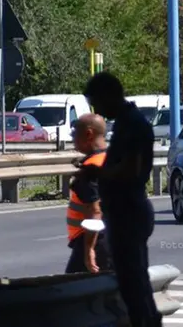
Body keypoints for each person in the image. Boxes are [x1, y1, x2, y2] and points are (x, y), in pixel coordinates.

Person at [82, 72, 161, 327]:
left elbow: (131, 169)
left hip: (128, 210)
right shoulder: (129, 122)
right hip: (126, 209)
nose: (98, 110)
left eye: (97, 103)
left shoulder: (132, 125)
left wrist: (97, 172)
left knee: (132, 281)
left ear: (109, 95)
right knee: (134, 279)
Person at [65, 114, 112, 274]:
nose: (73, 138)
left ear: (88, 134)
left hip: (97, 240)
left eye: (75, 133)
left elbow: (95, 211)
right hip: (118, 237)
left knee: (71, 291)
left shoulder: (91, 169)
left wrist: (89, 250)